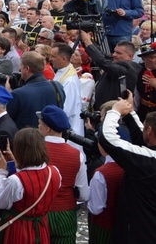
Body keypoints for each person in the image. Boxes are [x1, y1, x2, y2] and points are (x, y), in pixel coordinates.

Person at [97, 91, 156, 244]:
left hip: (141, 233)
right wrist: (130, 112)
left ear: (149, 131)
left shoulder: (147, 161)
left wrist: (115, 111)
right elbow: (141, 139)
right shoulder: (147, 157)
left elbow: (108, 139)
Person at [0, 128, 62, 244]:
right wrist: (15, 162)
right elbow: (34, 176)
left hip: (18, 230)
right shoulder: (55, 172)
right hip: (41, 228)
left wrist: (2, 172)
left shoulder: (16, 181)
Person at [37, 105, 89, 243]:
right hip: (65, 214)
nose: (38, 127)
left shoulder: (34, 151)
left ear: (47, 128)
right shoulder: (77, 155)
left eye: (39, 124)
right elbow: (84, 195)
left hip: (40, 212)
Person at [6, 51, 66, 130]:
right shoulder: (57, 86)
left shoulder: (18, 94)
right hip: (51, 137)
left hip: (27, 139)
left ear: (27, 69)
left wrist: (7, 93)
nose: (20, 69)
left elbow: (7, 121)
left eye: (21, 66)